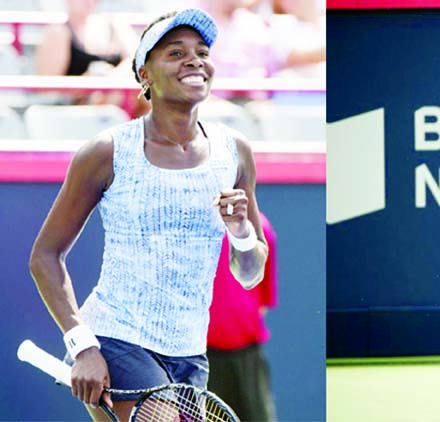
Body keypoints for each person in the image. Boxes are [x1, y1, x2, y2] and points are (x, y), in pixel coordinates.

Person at [28, 9, 268, 421]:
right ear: (145, 77)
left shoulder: (235, 151)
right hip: (117, 339)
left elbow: (250, 273)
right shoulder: (106, 151)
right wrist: (82, 346)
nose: (194, 60)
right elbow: (45, 257)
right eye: (176, 53)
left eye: (202, 52)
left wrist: (242, 231)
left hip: (190, 353)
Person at [207, 211, 278, 421]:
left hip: (247, 358)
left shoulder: (261, 228)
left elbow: (262, 303)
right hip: (201, 358)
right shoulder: (193, 230)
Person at [35, 0, 138, 106]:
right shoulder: (57, 32)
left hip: (121, 102)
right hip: (78, 110)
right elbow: (48, 91)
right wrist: (90, 83)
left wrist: (111, 80)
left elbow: (138, 61)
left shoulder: (116, 25)